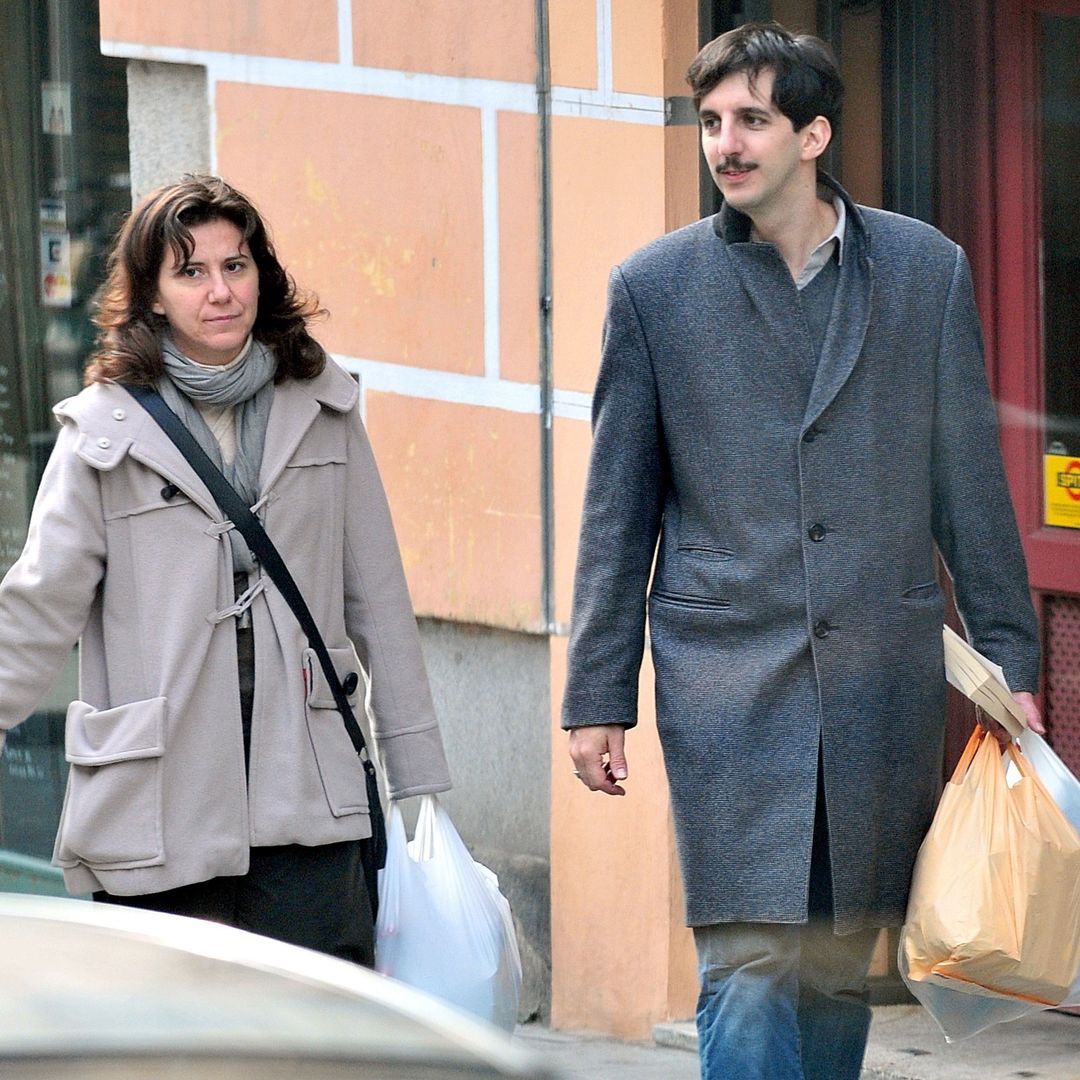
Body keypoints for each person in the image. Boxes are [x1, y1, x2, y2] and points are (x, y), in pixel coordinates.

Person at [562, 22, 1043, 1080]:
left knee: (833, 961)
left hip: (880, 672)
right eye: (712, 121)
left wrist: (1011, 659)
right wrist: (599, 691)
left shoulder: (925, 272)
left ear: (814, 133)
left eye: (752, 121)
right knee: (747, 956)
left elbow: (968, 484)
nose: (726, 144)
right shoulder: (653, 290)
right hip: (728, 677)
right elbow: (616, 510)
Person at [0, 175, 450, 966]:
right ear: (152, 295)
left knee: (308, 1036)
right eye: (191, 272)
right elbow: (37, 611)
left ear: (261, 275)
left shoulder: (323, 406)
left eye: (235, 266)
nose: (220, 291)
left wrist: (417, 777)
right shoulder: (102, 433)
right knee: (174, 1039)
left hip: (307, 783)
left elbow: (376, 596)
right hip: (158, 793)